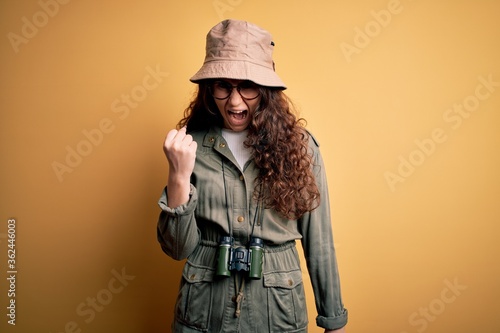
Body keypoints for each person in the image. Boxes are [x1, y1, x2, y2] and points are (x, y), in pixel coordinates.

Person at [157, 19, 348, 333]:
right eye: (223, 85)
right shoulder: (189, 145)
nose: (234, 102)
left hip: (277, 314)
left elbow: (320, 243)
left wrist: (334, 322)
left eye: (247, 86)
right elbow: (177, 249)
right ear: (210, 88)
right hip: (202, 312)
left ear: (266, 89)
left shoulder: (301, 148)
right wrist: (178, 176)